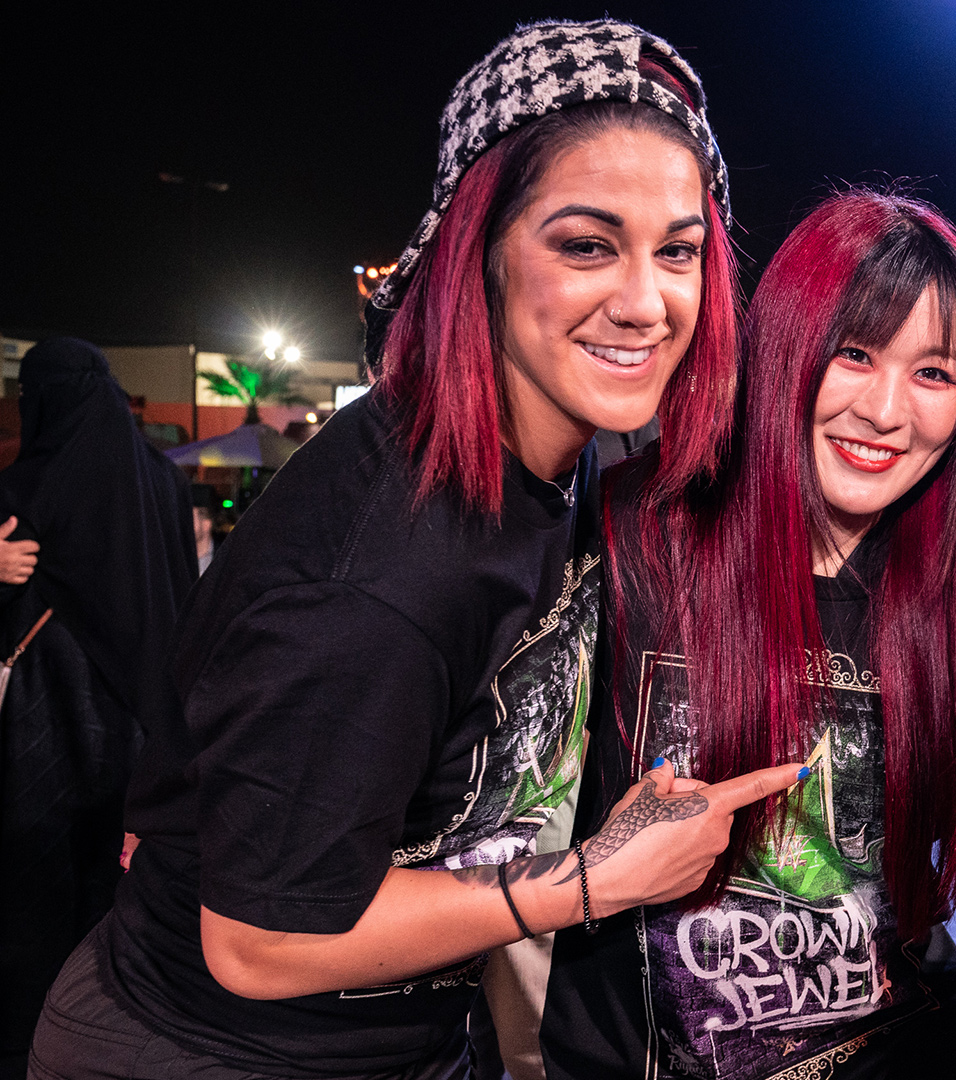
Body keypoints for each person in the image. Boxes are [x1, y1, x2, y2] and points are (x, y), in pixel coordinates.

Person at [28, 21, 801, 1080]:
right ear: (477, 252)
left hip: (408, 1040)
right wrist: (600, 878)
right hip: (214, 1051)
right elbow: (259, 944)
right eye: (586, 245)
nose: (645, 303)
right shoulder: (383, 564)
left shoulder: (559, 455)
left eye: (678, 251)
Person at [543, 190, 956, 1080]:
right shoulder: (629, 532)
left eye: (933, 372)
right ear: (785, 349)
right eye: (854, 353)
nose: (886, 411)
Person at [0, 339, 196, 1079]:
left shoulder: (27, 486)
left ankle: (34, 1033)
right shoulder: (165, 484)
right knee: (126, 882)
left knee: (36, 880)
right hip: (149, 719)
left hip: (45, 713)